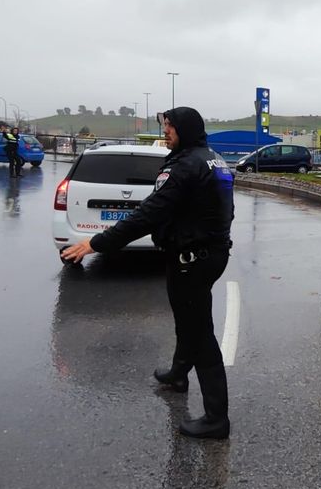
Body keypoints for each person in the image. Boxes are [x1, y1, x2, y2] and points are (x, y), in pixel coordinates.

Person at [60, 107, 235, 439]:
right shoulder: (213, 159)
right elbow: (223, 208)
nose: (166, 131)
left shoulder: (185, 166)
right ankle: (179, 374)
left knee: (200, 335)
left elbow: (148, 215)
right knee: (188, 321)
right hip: (206, 254)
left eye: (170, 126)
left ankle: (217, 419)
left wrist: (95, 243)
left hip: (192, 259)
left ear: (184, 128)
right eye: (165, 125)